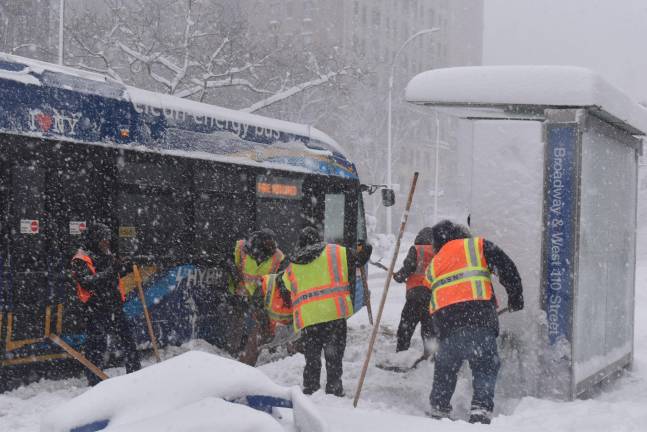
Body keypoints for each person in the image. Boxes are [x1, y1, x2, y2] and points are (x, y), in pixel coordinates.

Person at [425, 220, 523, 424]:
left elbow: (430, 299)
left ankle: (438, 408)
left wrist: (434, 336)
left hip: (446, 327)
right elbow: (507, 267)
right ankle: (480, 409)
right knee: (485, 365)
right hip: (479, 320)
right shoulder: (477, 246)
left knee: (445, 369)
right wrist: (515, 297)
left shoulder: (434, 264)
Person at [279, 227, 372, 397]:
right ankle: (334, 389)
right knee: (334, 356)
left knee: (312, 358)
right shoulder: (336, 252)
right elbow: (360, 259)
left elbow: (285, 287)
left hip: (309, 320)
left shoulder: (292, 265)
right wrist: (366, 247)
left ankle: (310, 388)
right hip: (333, 315)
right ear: (319, 239)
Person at [69, 223, 141, 386]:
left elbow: (112, 276)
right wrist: (112, 269)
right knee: (97, 345)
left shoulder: (106, 254)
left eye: (108, 239)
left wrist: (125, 268)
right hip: (96, 309)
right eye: (103, 239)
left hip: (114, 306)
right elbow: (88, 282)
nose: (107, 242)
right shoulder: (81, 258)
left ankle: (135, 374)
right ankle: (95, 380)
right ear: (95, 239)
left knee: (128, 341)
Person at [227, 229, 287, 356]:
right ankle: (233, 350)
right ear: (259, 242)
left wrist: (261, 298)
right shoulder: (241, 248)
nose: (272, 247)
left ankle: (258, 351)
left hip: (262, 298)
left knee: (260, 325)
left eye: (273, 243)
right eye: (268, 243)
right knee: (237, 322)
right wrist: (233, 276)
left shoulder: (278, 257)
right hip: (241, 293)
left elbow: (279, 278)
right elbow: (229, 261)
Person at [393, 227, 436, 354]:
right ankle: (430, 355)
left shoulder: (416, 249)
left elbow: (409, 267)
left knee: (406, 327)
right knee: (429, 329)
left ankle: (401, 351)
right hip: (431, 296)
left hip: (415, 295)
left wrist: (399, 276)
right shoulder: (437, 251)